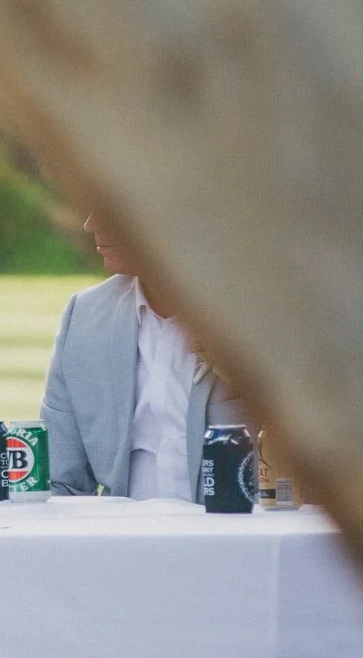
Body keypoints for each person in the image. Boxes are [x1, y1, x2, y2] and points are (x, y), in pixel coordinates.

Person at [38, 211, 251, 498]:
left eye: (109, 207)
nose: (91, 224)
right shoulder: (84, 316)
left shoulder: (256, 318)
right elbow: (59, 484)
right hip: (124, 540)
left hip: (245, 537)